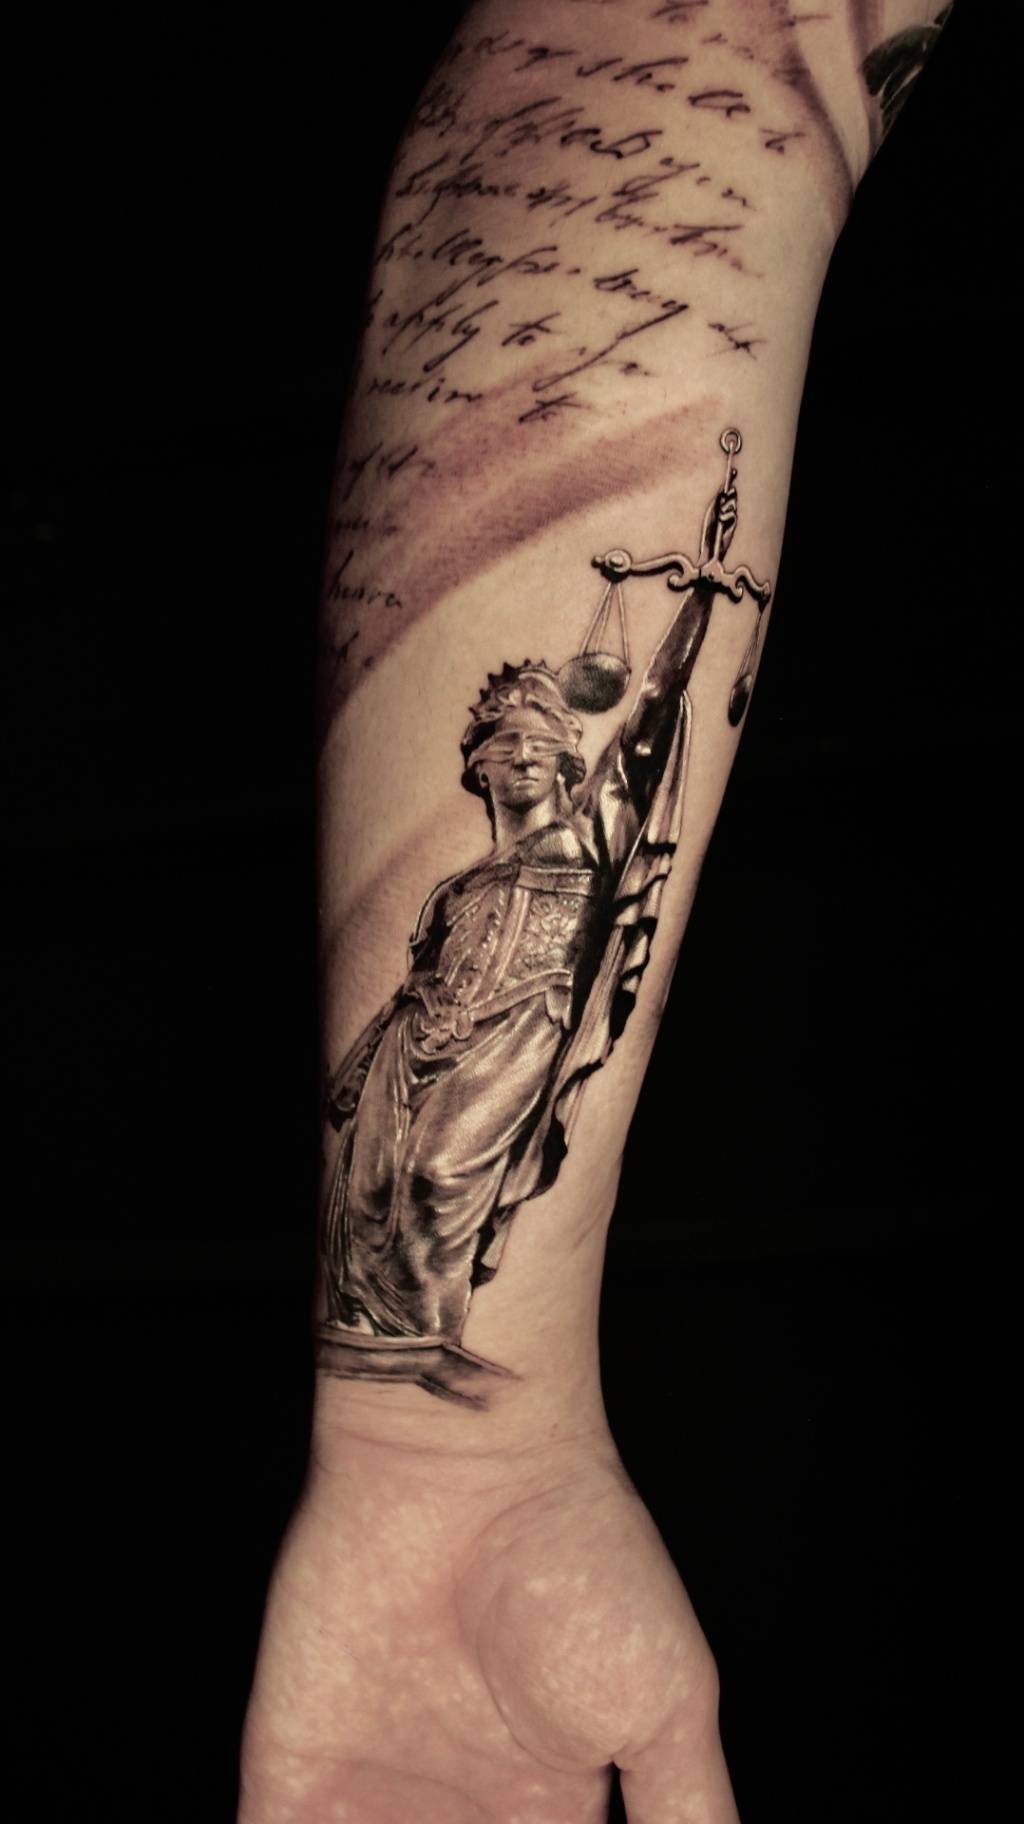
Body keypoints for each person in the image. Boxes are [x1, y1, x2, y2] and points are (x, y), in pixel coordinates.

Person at [240, 4, 955, 1820]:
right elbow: (640, 56)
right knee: (407, 1147)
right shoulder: (521, 816)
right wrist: (439, 1451)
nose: (519, 744)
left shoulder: (576, 817)